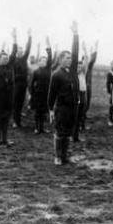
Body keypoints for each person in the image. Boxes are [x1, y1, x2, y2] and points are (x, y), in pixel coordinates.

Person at [48, 21, 79, 165]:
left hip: (72, 108)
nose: (70, 60)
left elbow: (76, 51)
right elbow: (51, 94)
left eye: (70, 58)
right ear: (60, 60)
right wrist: (50, 109)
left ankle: (65, 155)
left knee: (67, 133)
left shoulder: (72, 72)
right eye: (67, 58)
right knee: (59, 133)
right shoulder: (56, 74)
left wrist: (75, 34)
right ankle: (58, 156)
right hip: (61, 108)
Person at [0, 29, 18, 146]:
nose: (5, 60)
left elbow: (14, 53)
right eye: (3, 58)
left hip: (8, 98)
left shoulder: (10, 69)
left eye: (7, 58)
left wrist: (14, 39)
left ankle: (4, 139)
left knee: (6, 119)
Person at [29, 36, 52, 134]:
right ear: (39, 62)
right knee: (37, 112)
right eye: (42, 61)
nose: (44, 62)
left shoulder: (48, 70)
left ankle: (42, 128)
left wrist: (48, 46)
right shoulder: (36, 71)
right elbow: (31, 84)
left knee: (43, 112)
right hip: (37, 94)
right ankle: (36, 127)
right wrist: (32, 94)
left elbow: (50, 57)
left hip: (46, 94)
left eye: (45, 61)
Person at [12, 29, 32, 128]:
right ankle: (15, 121)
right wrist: (15, 37)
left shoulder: (24, 59)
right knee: (15, 103)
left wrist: (29, 36)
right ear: (16, 52)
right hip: (16, 84)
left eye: (21, 51)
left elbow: (28, 49)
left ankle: (18, 121)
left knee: (20, 102)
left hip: (23, 84)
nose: (21, 52)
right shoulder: (13, 61)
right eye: (19, 51)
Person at [71, 42, 89, 142]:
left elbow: (86, 61)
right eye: (77, 66)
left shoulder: (83, 73)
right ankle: (71, 135)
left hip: (83, 95)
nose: (79, 68)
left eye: (80, 66)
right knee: (74, 116)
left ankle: (76, 136)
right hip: (75, 96)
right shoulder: (73, 75)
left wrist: (85, 50)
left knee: (80, 116)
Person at [84, 41, 98, 125]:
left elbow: (92, 60)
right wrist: (86, 50)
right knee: (84, 102)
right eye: (85, 60)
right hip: (83, 87)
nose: (86, 61)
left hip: (89, 86)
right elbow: (91, 59)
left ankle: (84, 114)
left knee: (88, 101)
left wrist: (93, 50)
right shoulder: (83, 68)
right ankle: (82, 117)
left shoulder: (89, 67)